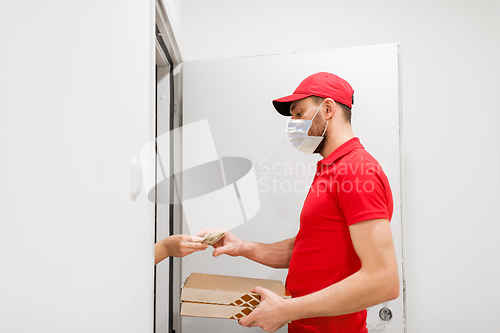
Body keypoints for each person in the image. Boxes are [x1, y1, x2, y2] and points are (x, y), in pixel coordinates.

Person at [197, 72, 400, 333]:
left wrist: (287, 309)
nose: (293, 124)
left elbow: (383, 281)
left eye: (298, 113)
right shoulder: (332, 168)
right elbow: (309, 250)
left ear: (328, 108)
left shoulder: (356, 170)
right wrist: (243, 247)